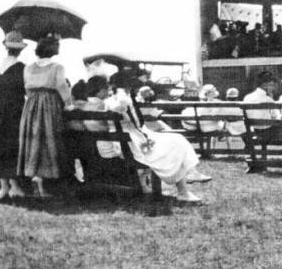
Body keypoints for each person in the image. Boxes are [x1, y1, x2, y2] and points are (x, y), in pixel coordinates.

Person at [79, 76, 208, 203]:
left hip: (123, 143)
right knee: (172, 143)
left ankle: (188, 176)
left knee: (172, 141)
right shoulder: (107, 103)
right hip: (128, 146)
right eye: (106, 89)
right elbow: (126, 119)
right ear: (100, 90)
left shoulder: (87, 105)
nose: (108, 92)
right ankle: (185, 185)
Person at [17, 35, 73, 198]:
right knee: (48, 138)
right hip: (49, 104)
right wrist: (68, 103)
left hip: (32, 105)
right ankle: (47, 178)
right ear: (53, 49)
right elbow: (61, 85)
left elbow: (27, 88)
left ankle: (35, 174)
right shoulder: (57, 67)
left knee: (33, 139)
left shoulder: (28, 68)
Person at [0, 31, 27, 200]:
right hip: (14, 111)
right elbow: (24, 90)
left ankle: (3, 187)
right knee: (13, 147)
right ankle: (14, 187)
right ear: (20, 50)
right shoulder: (22, 67)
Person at [242, 71, 282, 173]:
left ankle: (257, 163)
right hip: (268, 133)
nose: (274, 87)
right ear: (266, 85)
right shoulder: (267, 99)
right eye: (272, 85)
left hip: (253, 131)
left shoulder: (247, 97)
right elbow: (277, 117)